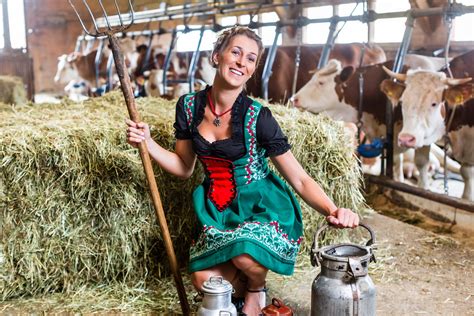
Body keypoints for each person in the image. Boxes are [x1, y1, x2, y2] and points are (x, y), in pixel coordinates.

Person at [126, 26, 359, 316]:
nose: (241, 62)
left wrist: (333, 209)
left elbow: (299, 178)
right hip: (218, 210)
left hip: (261, 206)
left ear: (252, 70)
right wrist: (147, 143)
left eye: (250, 58)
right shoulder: (188, 106)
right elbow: (184, 168)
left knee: (247, 255)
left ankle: (255, 287)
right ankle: (239, 290)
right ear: (216, 56)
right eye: (235, 52)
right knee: (204, 282)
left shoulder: (258, 117)